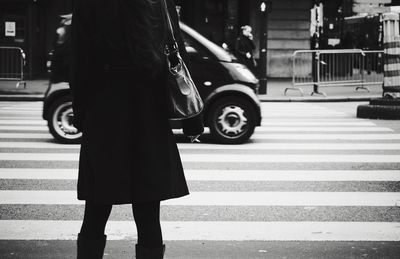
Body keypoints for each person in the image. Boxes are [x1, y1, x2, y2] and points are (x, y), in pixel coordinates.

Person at [70, 0, 204, 258]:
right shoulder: (158, 3)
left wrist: (81, 113)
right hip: (148, 112)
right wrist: (192, 120)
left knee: (96, 209)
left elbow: (79, 62)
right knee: (148, 214)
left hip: (104, 113)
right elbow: (177, 54)